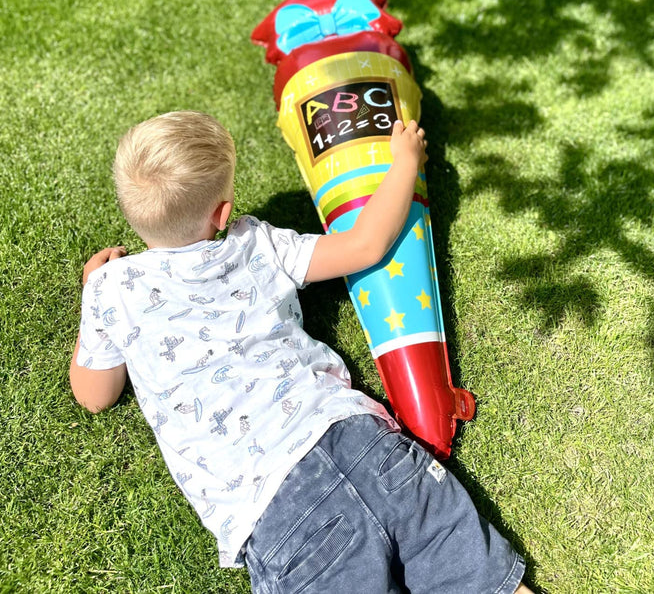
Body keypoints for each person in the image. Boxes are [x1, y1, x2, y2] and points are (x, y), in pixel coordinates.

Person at [70, 111, 531, 593]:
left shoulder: (110, 290)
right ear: (223, 213)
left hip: (276, 514)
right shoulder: (255, 244)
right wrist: (404, 162)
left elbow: (94, 394)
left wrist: (92, 295)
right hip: (359, 443)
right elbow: (367, 244)